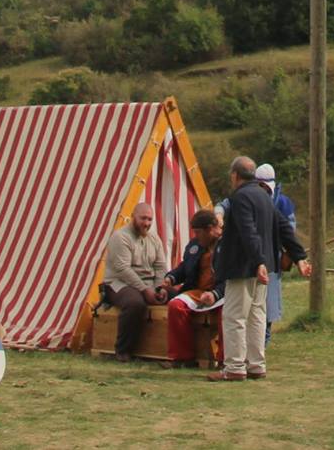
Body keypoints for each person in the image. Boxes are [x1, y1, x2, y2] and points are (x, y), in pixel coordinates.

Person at [207, 156, 310, 383]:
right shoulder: (264, 197)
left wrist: (257, 261)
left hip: (244, 267)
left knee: (234, 316)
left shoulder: (240, 198)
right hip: (262, 269)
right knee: (257, 316)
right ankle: (256, 364)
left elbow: (247, 231)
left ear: (235, 176)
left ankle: (234, 367)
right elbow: (284, 227)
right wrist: (299, 256)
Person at [99, 200, 166, 360]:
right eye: (143, 218)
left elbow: (161, 266)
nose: (147, 223)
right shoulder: (120, 237)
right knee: (135, 303)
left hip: (147, 283)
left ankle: (170, 352)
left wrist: (159, 287)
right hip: (118, 283)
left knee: (176, 297)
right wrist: (144, 290)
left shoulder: (154, 239)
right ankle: (123, 350)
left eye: (150, 219)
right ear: (132, 217)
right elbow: (123, 269)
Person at [163, 208, 224, 366]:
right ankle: (182, 358)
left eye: (198, 232)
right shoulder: (195, 245)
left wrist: (215, 294)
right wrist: (172, 277)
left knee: (229, 312)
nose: (195, 236)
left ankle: (225, 359)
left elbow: (233, 277)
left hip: (223, 292)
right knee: (175, 306)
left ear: (210, 229)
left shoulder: (228, 244)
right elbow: (186, 267)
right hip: (198, 291)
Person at [255, 162, 296, 332]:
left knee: (269, 307)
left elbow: (290, 230)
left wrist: (289, 253)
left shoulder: (283, 202)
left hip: (273, 256)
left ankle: (263, 340)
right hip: (254, 256)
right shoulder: (250, 198)